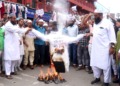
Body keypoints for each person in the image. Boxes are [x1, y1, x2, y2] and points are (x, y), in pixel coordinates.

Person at [85, 9, 116, 86]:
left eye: (95, 16)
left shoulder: (108, 23)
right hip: (95, 48)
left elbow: (112, 35)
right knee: (95, 64)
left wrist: (112, 47)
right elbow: (96, 34)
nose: (94, 17)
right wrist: (90, 34)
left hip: (105, 48)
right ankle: (97, 78)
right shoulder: (96, 23)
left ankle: (106, 82)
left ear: (100, 15)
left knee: (106, 65)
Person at [4, 13, 32, 79]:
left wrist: (19, 39)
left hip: (14, 45)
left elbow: (16, 33)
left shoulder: (13, 25)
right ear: (9, 18)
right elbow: (16, 30)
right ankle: (8, 74)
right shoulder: (8, 25)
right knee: (8, 60)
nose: (15, 20)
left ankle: (12, 71)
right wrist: (25, 30)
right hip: (9, 45)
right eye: (13, 18)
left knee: (14, 59)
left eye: (15, 18)